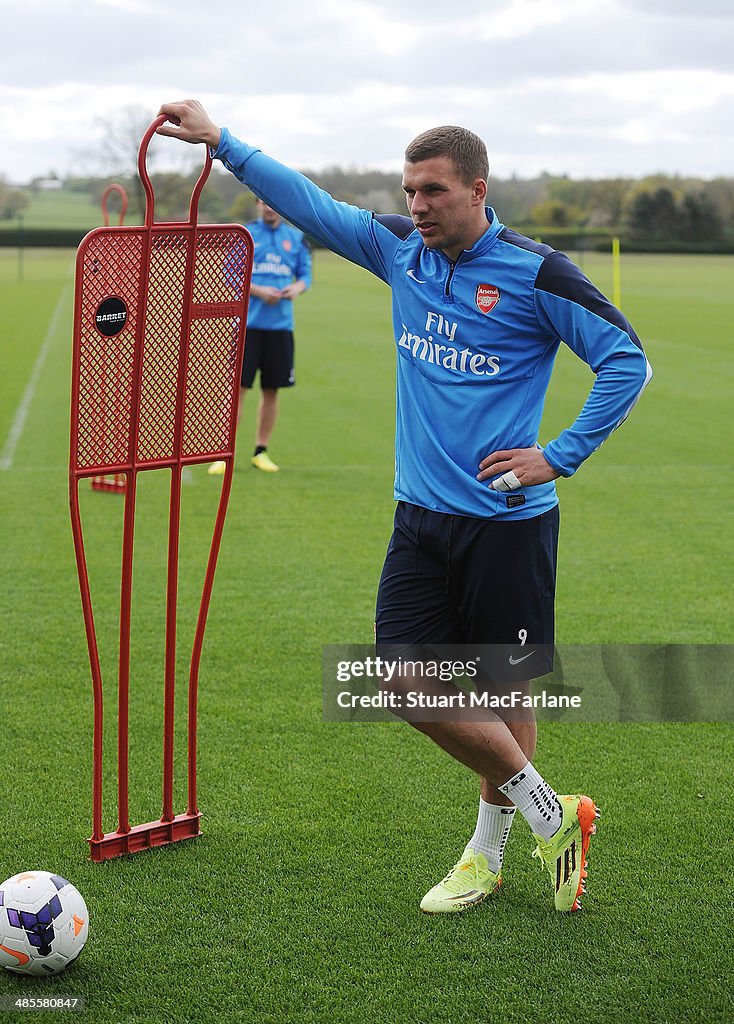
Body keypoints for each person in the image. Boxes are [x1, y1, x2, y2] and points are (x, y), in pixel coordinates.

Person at [158, 100, 652, 915]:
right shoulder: (401, 250)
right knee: (404, 681)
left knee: (504, 693)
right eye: (409, 189)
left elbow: (625, 361)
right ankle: (551, 815)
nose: (416, 204)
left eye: (432, 190)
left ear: (477, 190)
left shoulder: (537, 273)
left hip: (509, 526)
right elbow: (314, 204)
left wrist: (557, 455)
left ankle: (486, 858)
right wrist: (223, 143)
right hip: (418, 520)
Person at [209, 198, 312, 475]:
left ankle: (260, 451)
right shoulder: (247, 235)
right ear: (257, 205)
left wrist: (296, 289)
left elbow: (305, 275)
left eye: (274, 204)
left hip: (280, 328)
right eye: (264, 204)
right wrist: (259, 291)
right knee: (238, 391)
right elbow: (231, 275)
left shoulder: (295, 237)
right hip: (247, 327)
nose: (270, 208)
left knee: (271, 391)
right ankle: (222, 453)